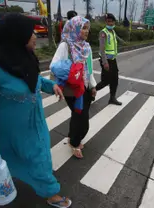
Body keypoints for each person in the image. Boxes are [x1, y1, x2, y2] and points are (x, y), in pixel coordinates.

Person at [0, 14, 72, 208]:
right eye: (30, 32)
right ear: (15, 36)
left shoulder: (25, 59)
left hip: (35, 124)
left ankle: (42, 187)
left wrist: (51, 86)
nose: (35, 36)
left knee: (39, 157)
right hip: (9, 131)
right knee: (24, 158)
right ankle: (51, 193)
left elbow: (33, 80)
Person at [50, 16, 97, 159]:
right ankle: (75, 143)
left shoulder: (86, 46)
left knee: (78, 116)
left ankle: (72, 137)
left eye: (87, 28)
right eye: (83, 28)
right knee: (82, 120)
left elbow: (89, 69)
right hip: (74, 88)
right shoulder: (66, 45)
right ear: (74, 28)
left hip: (86, 87)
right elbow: (54, 66)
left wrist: (93, 86)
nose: (86, 31)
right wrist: (72, 70)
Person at [95, 13, 126, 105]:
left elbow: (117, 38)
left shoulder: (112, 31)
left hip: (113, 60)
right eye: (108, 21)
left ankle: (112, 98)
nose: (110, 23)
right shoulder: (103, 33)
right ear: (106, 22)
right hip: (106, 61)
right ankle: (90, 92)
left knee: (115, 79)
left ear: (114, 22)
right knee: (105, 81)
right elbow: (102, 49)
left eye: (112, 21)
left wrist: (123, 42)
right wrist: (105, 63)